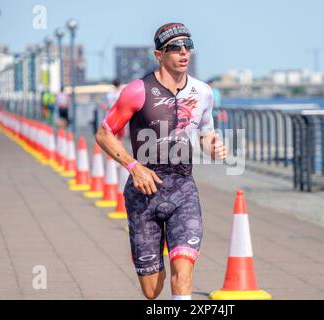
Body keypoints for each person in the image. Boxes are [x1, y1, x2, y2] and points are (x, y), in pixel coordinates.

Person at [96, 22, 227, 300]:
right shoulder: (137, 90)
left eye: (188, 46)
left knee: (183, 273)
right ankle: (149, 263)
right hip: (144, 192)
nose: (183, 52)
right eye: (175, 47)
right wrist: (134, 167)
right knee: (152, 290)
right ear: (159, 54)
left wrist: (212, 147)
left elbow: (206, 134)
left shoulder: (203, 92)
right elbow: (104, 134)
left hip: (183, 189)